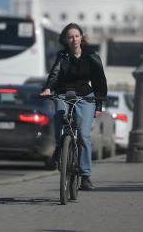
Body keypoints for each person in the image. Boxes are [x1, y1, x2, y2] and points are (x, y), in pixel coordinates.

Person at [40, 22, 107, 190]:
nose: (74, 39)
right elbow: (54, 74)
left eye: (77, 36)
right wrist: (48, 88)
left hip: (85, 96)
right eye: (70, 36)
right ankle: (59, 148)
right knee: (59, 117)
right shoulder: (62, 56)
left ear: (81, 38)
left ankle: (85, 176)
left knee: (84, 135)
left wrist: (98, 105)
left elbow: (99, 81)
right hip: (63, 94)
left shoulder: (91, 56)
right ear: (65, 39)